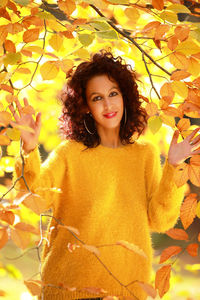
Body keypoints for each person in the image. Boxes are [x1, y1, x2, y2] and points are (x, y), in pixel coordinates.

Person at [12, 51, 200, 300]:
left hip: (127, 288)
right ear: (85, 107)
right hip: (69, 287)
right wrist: (28, 149)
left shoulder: (145, 154)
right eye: (97, 98)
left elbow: (160, 220)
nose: (108, 104)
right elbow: (34, 200)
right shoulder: (70, 153)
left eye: (113, 94)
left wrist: (174, 166)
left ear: (125, 97)